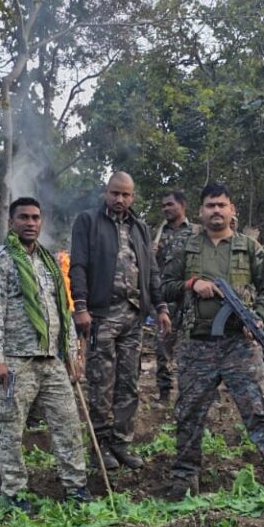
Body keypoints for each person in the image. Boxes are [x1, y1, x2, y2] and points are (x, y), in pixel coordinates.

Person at [161, 182, 264, 498]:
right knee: (190, 413)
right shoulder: (187, 247)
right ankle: (185, 477)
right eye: (210, 205)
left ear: (232, 210)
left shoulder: (249, 248)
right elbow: (164, 286)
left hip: (239, 345)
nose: (216, 210)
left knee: (258, 408)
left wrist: (258, 316)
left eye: (222, 205)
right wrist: (192, 284)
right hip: (196, 343)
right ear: (201, 211)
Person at [0, 197, 93, 509]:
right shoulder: (0, 260)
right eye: (24, 218)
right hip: (16, 361)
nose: (30, 223)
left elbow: (63, 309)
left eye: (35, 218)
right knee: (11, 430)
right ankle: (14, 494)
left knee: (68, 424)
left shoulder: (49, 261)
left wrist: (72, 353)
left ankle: (77, 488)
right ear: (11, 222)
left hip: (52, 359)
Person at [68, 172, 170, 470]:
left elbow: (150, 270)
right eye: (115, 193)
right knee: (101, 382)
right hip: (101, 313)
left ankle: (122, 443)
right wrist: (81, 307)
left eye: (126, 195)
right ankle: (101, 446)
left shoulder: (139, 227)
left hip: (133, 314)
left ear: (133, 197)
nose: (120, 199)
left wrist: (160, 306)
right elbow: (78, 265)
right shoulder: (88, 222)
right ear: (106, 192)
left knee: (130, 382)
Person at [152, 191, 196, 400]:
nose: (166, 209)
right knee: (162, 346)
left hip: (190, 296)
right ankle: (164, 392)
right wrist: (151, 252)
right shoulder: (157, 234)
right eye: (163, 206)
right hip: (165, 297)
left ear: (183, 205)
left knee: (192, 346)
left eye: (170, 204)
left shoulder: (196, 232)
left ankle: (193, 392)